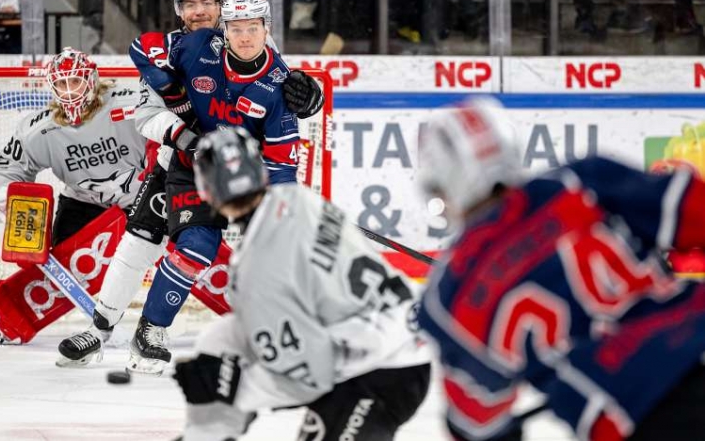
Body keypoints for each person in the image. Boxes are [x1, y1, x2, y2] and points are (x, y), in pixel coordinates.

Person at [56, 0, 324, 371]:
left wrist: (310, 96)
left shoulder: (245, 37)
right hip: (176, 163)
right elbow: (147, 113)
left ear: (221, 7)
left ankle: (265, 327)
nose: (198, 11)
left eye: (205, 2)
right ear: (179, 12)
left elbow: (281, 105)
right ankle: (99, 330)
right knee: (138, 243)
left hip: (235, 177)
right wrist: (190, 137)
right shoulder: (181, 49)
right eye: (188, 4)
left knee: (233, 247)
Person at [415, 97, 705, 441]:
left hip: (634, 413)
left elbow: (477, 424)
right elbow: (693, 210)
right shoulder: (577, 182)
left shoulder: (449, 296)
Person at [167, 126, 431, 440]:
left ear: (206, 191)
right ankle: (210, 432)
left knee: (221, 357)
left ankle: (214, 425)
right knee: (223, 337)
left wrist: (231, 387)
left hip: (384, 371)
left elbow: (309, 377)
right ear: (260, 171)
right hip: (402, 334)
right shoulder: (299, 197)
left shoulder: (254, 273)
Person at [0, 47, 154, 245]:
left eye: (75, 81)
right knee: (65, 259)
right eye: (61, 84)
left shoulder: (130, 106)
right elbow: (7, 167)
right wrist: (5, 193)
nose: (68, 91)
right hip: (83, 203)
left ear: (91, 80)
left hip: (141, 201)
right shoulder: (42, 129)